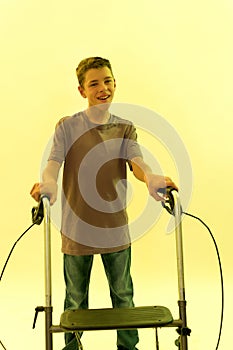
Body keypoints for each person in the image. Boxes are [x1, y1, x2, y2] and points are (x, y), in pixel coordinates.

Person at [30, 57, 177, 350]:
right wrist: (48, 182)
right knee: (75, 299)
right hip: (76, 230)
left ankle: (127, 347)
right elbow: (53, 164)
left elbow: (137, 162)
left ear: (114, 84)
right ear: (82, 90)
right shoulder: (68, 126)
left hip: (114, 230)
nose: (103, 88)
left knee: (123, 295)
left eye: (108, 81)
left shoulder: (124, 127)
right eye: (94, 83)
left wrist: (151, 178)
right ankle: (72, 347)